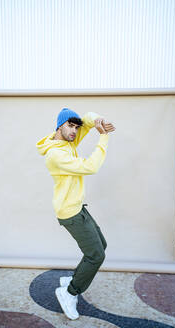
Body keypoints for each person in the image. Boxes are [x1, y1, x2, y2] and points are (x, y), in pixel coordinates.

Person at [36, 108, 115, 320]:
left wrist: (98, 120)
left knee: (101, 245)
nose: (75, 131)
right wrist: (104, 137)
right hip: (70, 212)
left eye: (76, 127)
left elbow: (87, 120)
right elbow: (90, 166)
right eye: (70, 126)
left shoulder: (68, 141)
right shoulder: (56, 154)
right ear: (59, 126)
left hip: (78, 206)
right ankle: (69, 292)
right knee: (96, 255)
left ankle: (75, 278)